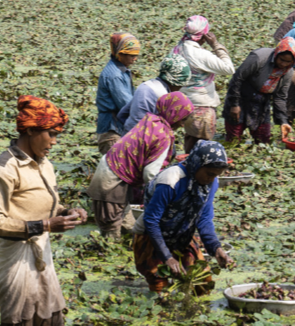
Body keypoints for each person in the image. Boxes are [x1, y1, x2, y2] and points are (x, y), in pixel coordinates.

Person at [0, 96, 87, 326]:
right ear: (30, 130)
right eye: (50, 134)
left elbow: (46, 205)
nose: (53, 142)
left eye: (56, 136)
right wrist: (45, 225)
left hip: (42, 253)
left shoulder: (45, 164)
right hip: (16, 258)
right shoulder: (6, 167)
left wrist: (67, 212)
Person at [131, 141, 234, 294]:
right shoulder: (171, 180)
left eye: (216, 175)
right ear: (197, 164)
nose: (212, 179)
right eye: (209, 174)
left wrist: (215, 248)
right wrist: (167, 257)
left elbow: (204, 218)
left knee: (202, 281)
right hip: (150, 236)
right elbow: (151, 221)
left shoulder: (211, 183)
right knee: (160, 285)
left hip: (182, 234)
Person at [87, 92, 194, 238]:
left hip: (112, 172)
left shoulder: (153, 120)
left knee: (131, 227)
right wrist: (163, 198)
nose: (182, 124)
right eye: (182, 119)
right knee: (111, 232)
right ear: (173, 113)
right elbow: (150, 173)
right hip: (112, 181)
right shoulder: (162, 135)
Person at [169, 15, 234, 153]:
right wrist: (215, 45)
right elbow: (228, 68)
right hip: (202, 107)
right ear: (204, 35)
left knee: (190, 141)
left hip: (183, 104)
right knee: (201, 148)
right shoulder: (200, 54)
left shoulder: (176, 50)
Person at [223, 37, 295, 144]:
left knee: (263, 138)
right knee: (234, 137)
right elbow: (237, 79)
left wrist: (283, 121)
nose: (283, 64)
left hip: (261, 103)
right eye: (281, 60)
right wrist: (234, 104)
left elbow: (280, 97)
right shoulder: (259, 58)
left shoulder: (288, 72)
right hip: (242, 97)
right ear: (276, 54)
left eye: (288, 62)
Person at [114, 54, 192, 135]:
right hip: (143, 139)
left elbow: (122, 114)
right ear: (176, 83)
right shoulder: (164, 98)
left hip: (128, 136)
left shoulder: (145, 85)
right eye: (181, 86)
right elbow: (165, 127)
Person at [95, 32, 141, 155]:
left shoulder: (123, 70)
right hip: (111, 131)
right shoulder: (114, 75)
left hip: (118, 128)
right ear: (119, 54)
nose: (134, 59)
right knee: (116, 170)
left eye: (136, 55)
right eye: (131, 55)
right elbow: (126, 104)